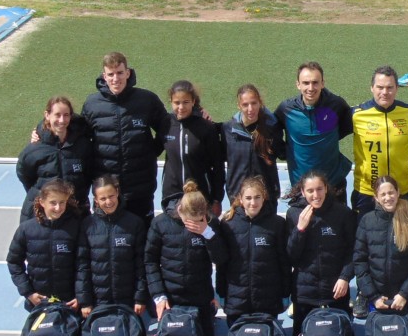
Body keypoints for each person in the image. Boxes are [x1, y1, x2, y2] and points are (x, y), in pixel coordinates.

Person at [145, 180, 225, 336]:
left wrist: (207, 233)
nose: (194, 225)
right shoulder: (160, 224)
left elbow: (221, 258)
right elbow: (149, 261)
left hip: (200, 295)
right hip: (170, 296)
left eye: (199, 220)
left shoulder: (209, 223)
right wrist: (158, 295)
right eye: (191, 220)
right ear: (180, 210)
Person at [82, 52, 168, 224]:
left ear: (128, 73)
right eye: (111, 74)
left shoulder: (147, 100)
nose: (116, 79)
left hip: (140, 188)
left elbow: (167, 128)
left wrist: (151, 152)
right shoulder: (92, 104)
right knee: (105, 240)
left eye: (120, 73)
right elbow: (79, 138)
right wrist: (40, 132)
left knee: (142, 240)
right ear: (104, 76)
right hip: (106, 192)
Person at [285, 169, 357, 336]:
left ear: (326, 188)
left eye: (319, 189)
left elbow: (354, 250)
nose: (315, 195)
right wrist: (300, 230)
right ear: (303, 192)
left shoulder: (343, 213)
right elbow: (291, 255)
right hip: (305, 289)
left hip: (336, 288)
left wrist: (345, 277)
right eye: (310, 191)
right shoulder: (294, 214)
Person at [216, 176, 289, 328]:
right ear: (241, 199)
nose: (253, 202)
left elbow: (284, 262)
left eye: (257, 197)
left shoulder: (277, 224)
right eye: (248, 198)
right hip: (236, 300)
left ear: (264, 198)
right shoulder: (228, 224)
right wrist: (221, 292)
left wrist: (285, 293)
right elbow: (222, 264)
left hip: (267, 300)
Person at [353, 175, 408, 315]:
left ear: (398, 192)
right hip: (377, 301)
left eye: (391, 193)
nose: (387, 197)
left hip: (404, 301)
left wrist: (404, 294)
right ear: (376, 197)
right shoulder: (367, 221)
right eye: (382, 194)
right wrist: (373, 296)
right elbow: (360, 262)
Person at [274, 62, 353, 199]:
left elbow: (346, 126)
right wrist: (284, 152)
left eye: (315, 82)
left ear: (323, 83)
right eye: (306, 83)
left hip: (333, 183)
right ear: (298, 84)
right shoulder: (286, 109)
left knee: (338, 220)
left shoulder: (336, 105)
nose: (311, 88)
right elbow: (272, 131)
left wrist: (329, 140)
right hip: (301, 186)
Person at [76, 175, 148, 318]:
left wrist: (140, 297)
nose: (108, 202)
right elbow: (82, 265)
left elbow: (142, 264)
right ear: (96, 200)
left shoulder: (135, 223)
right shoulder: (87, 225)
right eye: (103, 198)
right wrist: (85, 301)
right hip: (98, 301)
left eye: (111, 196)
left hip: (128, 301)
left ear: (118, 193)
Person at [7, 179, 82, 312]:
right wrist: (29, 293)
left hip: (69, 303)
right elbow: (13, 261)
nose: (58, 208)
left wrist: (81, 296)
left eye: (62, 202)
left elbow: (83, 265)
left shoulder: (76, 228)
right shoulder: (26, 229)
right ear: (42, 202)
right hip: (38, 303)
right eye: (53, 203)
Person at [351, 66, 408, 216]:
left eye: (390, 87)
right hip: (367, 192)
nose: (385, 92)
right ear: (372, 88)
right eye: (380, 87)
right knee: (366, 237)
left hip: (402, 190)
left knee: (404, 237)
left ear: (397, 88)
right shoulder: (357, 115)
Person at [16, 96, 95, 222]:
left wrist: (78, 196)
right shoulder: (35, 149)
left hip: (74, 213)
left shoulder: (83, 146)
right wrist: (40, 193)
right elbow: (24, 174)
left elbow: (89, 175)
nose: (62, 120)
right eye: (57, 115)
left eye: (66, 115)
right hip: (41, 214)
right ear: (47, 115)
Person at [160, 80, 225, 215]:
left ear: (193, 101)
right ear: (171, 101)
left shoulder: (207, 128)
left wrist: (217, 199)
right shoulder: (165, 124)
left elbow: (217, 165)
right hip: (173, 195)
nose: (181, 107)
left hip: (200, 195)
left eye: (186, 102)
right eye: (177, 103)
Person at [223, 84, 284, 205]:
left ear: (260, 103)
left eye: (254, 103)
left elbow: (283, 153)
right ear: (239, 105)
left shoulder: (272, 128)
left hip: (266, 198)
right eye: (245, 105)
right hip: (238, 198)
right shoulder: (228, 129)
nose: (250, 109)